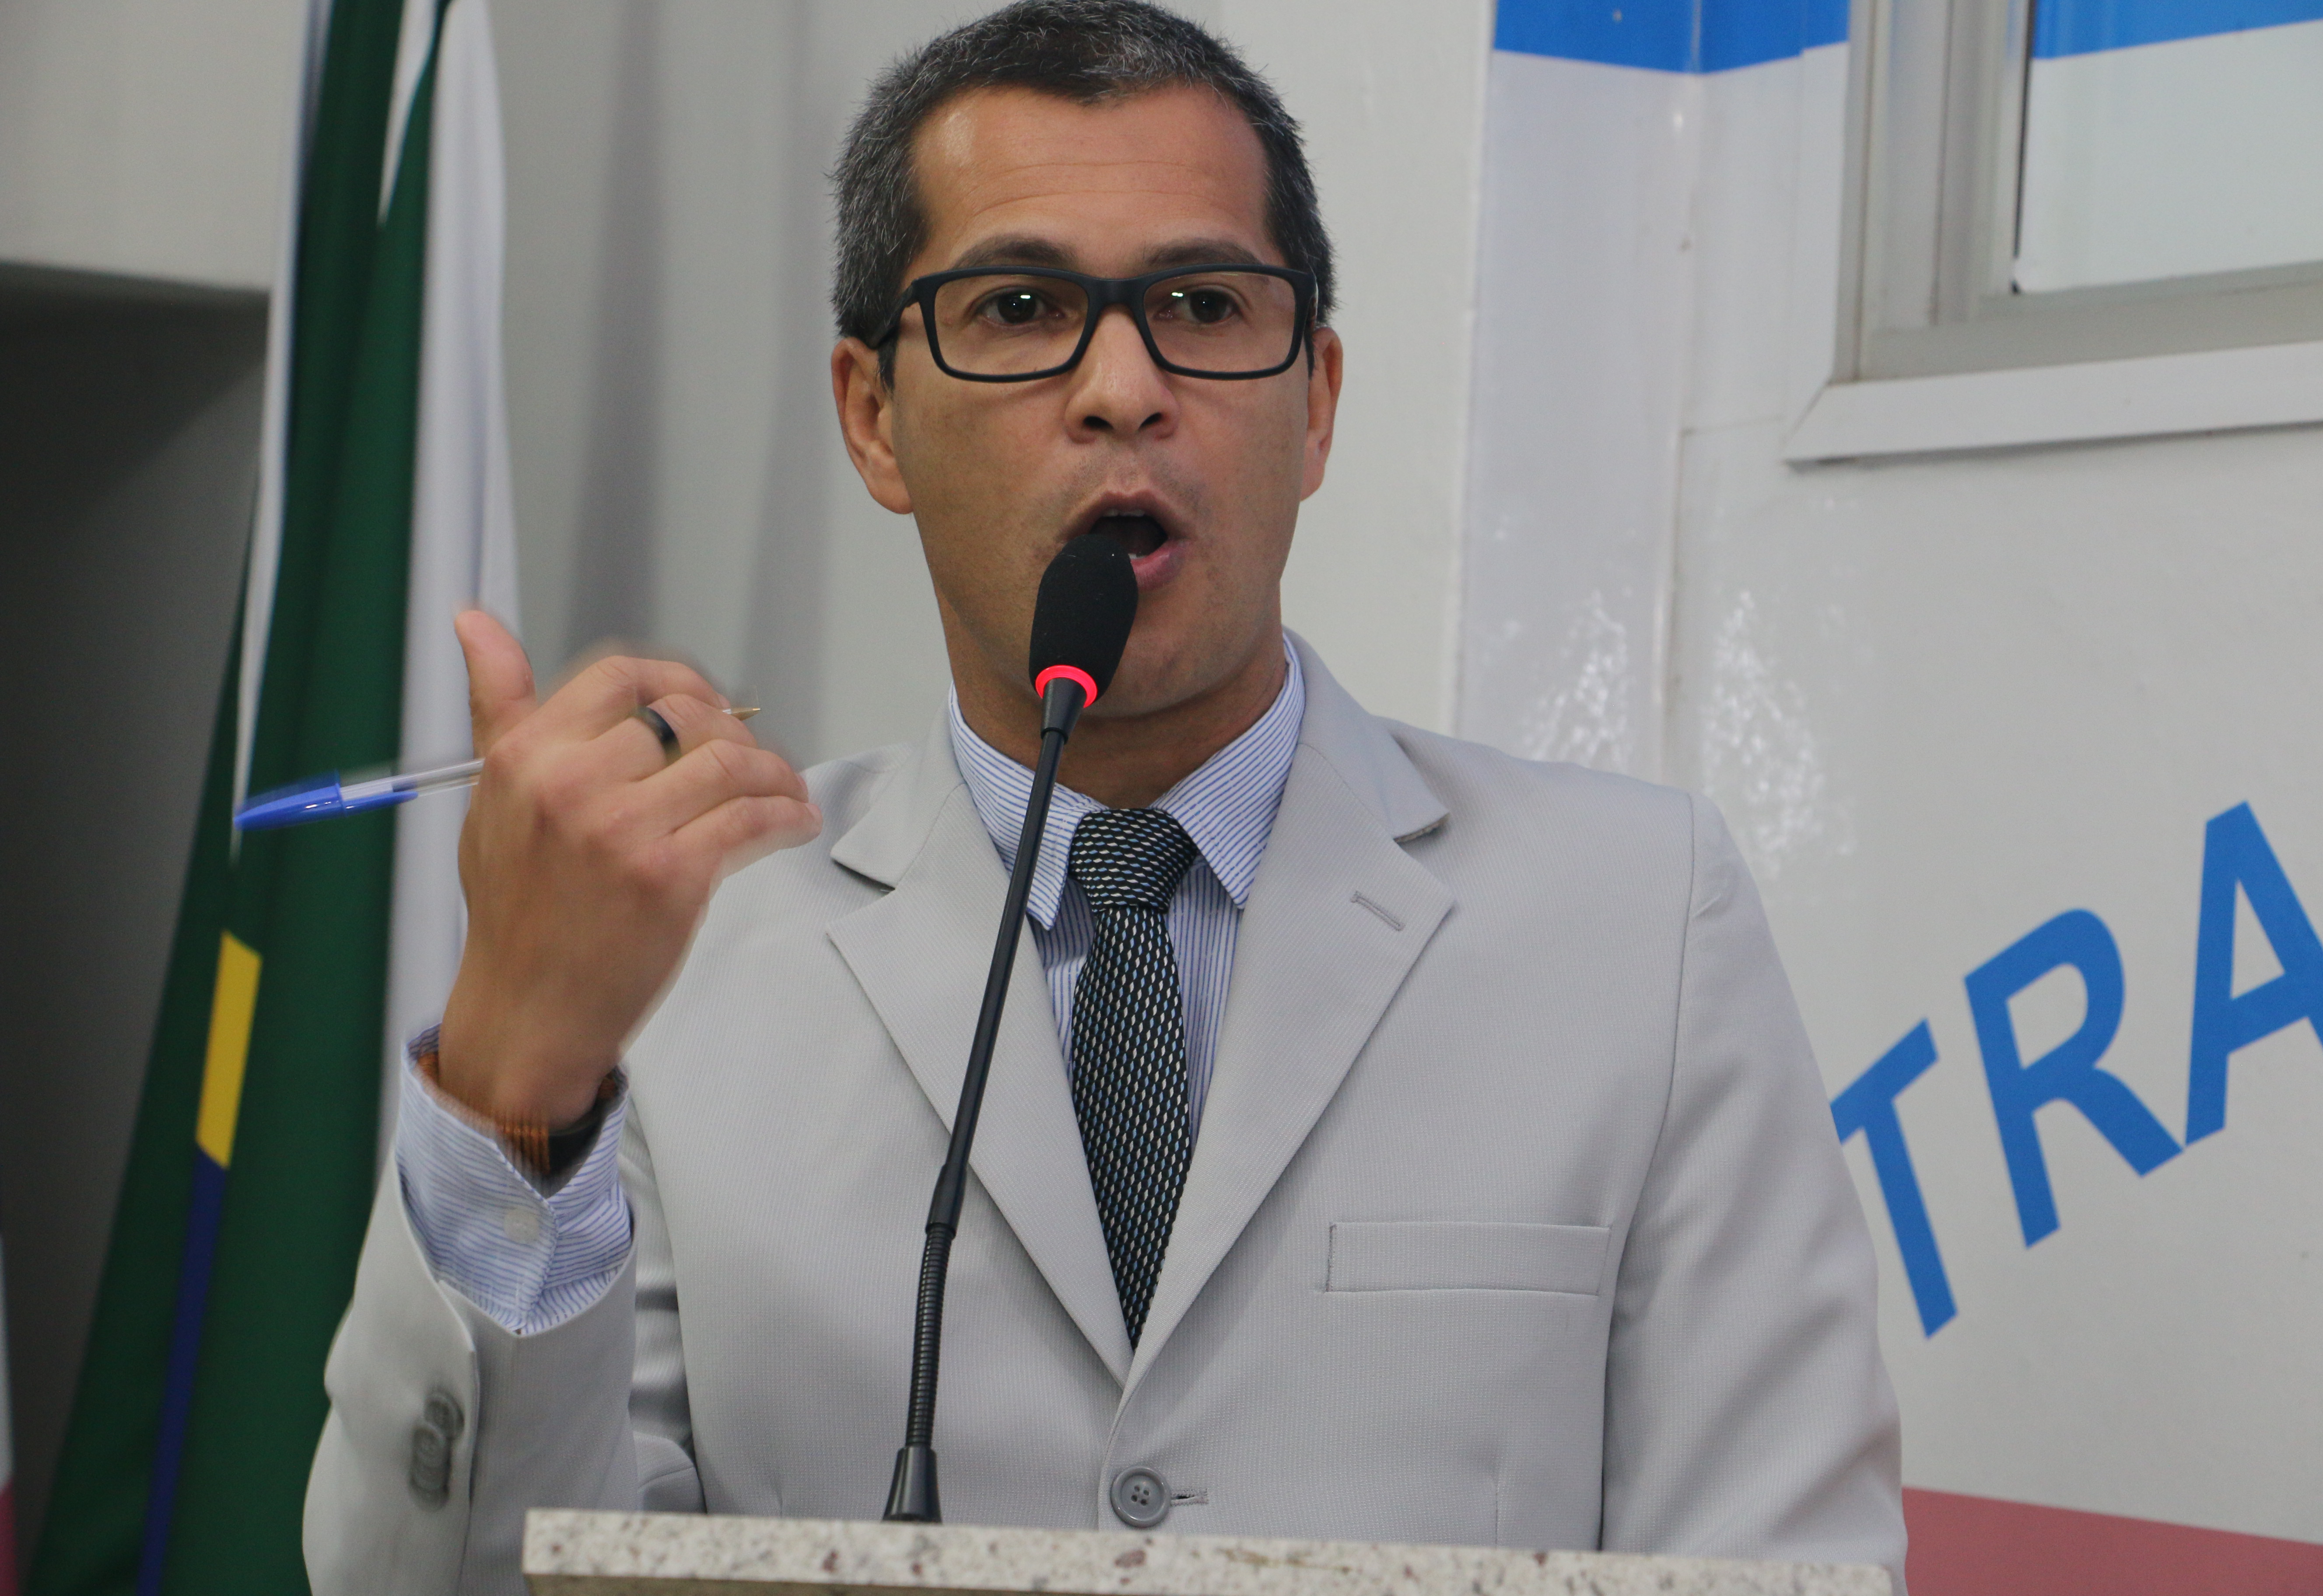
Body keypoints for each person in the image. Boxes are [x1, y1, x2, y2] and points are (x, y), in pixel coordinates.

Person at [303, 4, 1905, 1592]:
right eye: (1021, 308)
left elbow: (1791, 1574)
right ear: (874, 417)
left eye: (1202, 305)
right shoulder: (687, 952)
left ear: (1317, 401)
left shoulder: (1638, 923)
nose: (1125, 388)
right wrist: (513, 1087)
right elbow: (447, 1584)